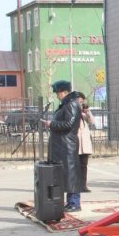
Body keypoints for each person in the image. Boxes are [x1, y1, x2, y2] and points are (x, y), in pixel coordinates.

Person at [44, 80, 82, 212]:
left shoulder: (71, 104)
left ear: (64, 92)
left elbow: (68, 124)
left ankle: (74, 203)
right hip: (62, 145)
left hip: (67, 146)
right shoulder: (66, 104)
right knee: (65, 175)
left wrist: (52, 124)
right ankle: (70, 202)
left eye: (58, 93)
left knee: (70, 175)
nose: (57, 95)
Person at [75, 92, 94, 192]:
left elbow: (92, 121)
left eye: (82, 102)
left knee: (84, 165)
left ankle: (83, 185)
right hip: (77, 143)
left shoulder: (84, 113)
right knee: (76, 165)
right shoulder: (73, 112)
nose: (81, 104)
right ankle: (76, 185)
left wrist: (88, 112)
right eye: (79, 102)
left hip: (85, 144)